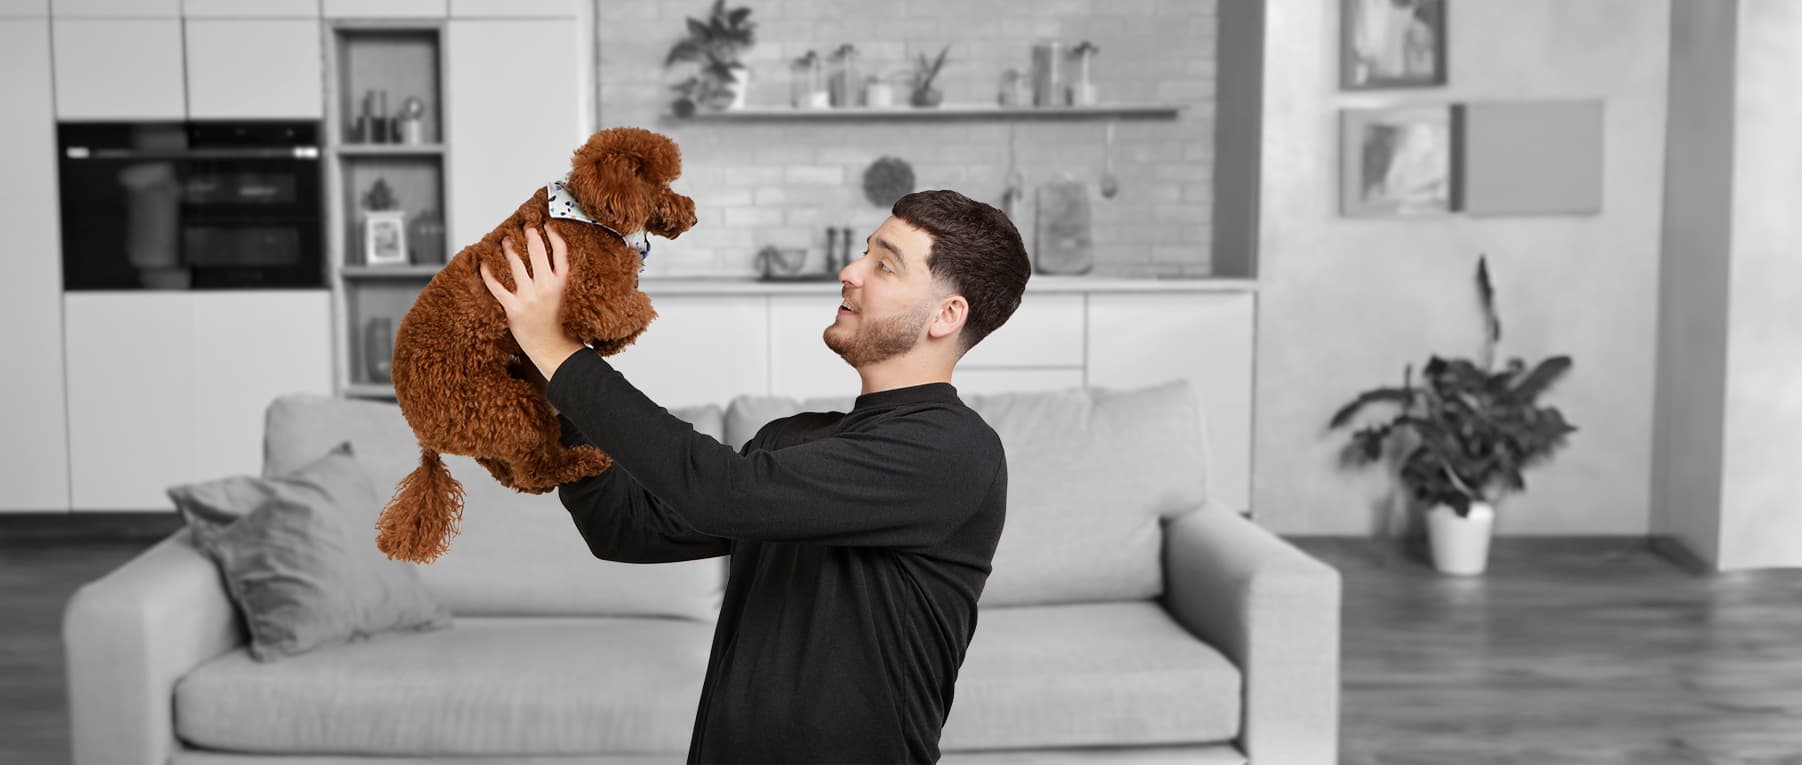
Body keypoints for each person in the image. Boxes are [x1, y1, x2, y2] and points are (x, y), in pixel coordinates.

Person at [480, 189, 1032, 764]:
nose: (850, 272)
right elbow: (624, 528)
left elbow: (721, 494)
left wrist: (563, 355)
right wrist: (551, 384)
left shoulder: (952, 451)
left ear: (947, 315)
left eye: (884, 265)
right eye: (865, 253)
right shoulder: (790, 441)